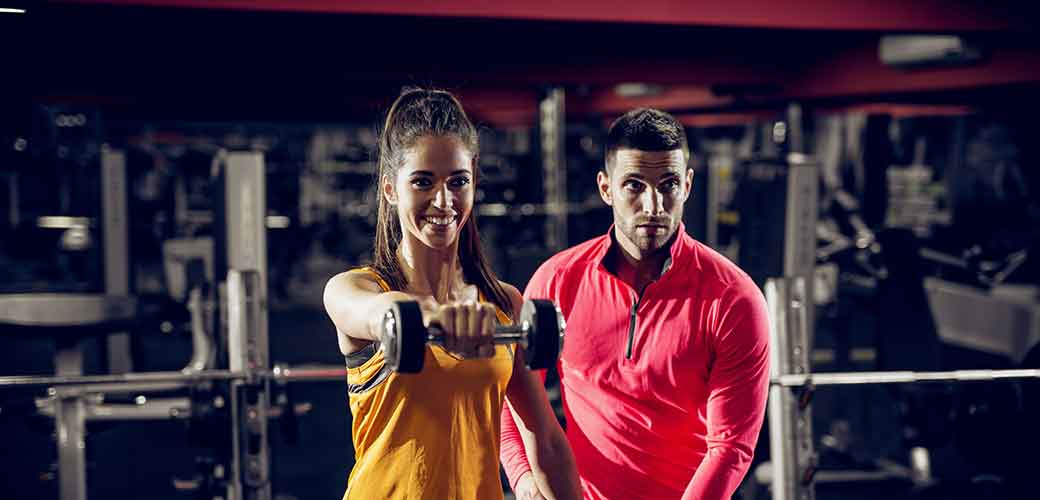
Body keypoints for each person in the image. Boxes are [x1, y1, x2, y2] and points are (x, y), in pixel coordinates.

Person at [323, 88, 581, 500]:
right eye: (423, 181)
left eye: (458, 181)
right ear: (390, 190)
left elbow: (546, 442)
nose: (443, 201)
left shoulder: (503, 305)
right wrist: (435, 318)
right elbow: (380, 313)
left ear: (474, 183)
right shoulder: (355, 288)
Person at [500, 108, 770, 500]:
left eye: (668, 185)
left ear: (688, 186)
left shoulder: (734, 300)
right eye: (634, 186)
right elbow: (513, 398)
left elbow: (730, 447)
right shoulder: (557, 282)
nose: (654, 206)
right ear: (606, 188)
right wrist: (525, 481)